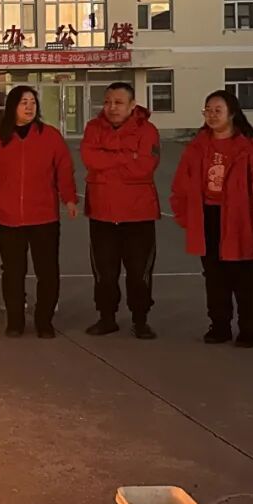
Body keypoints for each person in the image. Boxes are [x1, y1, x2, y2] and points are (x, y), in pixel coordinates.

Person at [170, 90, 253, 348]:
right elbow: (181, 185)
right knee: (214, 275)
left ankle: (249, 328)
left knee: (244, 277)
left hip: (240, 219)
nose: (211, 115)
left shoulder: (250, 149)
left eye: (217, 110)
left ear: (232, 113)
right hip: (208, 216)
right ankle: (219, 325)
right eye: (207, 110)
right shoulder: (197, 147)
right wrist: (185, 215)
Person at [0, 86, 77, 339]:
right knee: (13, 272)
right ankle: (15, 320)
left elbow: (64, 169)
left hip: (44, 216)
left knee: (47, 271)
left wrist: (69, 198)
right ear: (12, 107)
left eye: (32, 102)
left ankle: (44, 320)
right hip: (8, 217)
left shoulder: (49, 136)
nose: (29, 107)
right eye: (23, 102)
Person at [81, 83, 161, 340]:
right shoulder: (93, 128)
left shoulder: (147, 131)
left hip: (138, 214)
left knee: (139, 273)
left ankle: (140, 319)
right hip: (102, 213)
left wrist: (108, 157)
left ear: (132, 105)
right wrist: (128, 155)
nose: (112, 107)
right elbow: (90, 159)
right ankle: (107, 318)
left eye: (118, 102)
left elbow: (144, 167)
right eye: (107, 102)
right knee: (105, 273)